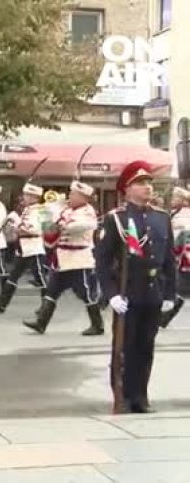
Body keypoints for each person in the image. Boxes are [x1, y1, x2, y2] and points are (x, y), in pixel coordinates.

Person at [97, 161, 175, 413]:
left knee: (145, 347)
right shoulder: (117, 219)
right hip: (127, 293)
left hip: (153, 292)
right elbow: (103, 260)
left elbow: (168, 259)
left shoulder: (162, 218)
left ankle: (141, 395)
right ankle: (123, 395)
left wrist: (169, 293)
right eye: (141, 184)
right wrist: (110, 295)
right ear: (127, 189)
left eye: (149, 183)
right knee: (124, 348)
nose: (147, 188)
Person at [24, 181, 104, 336]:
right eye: (71, 193)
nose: (70, 196)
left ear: (83, 197)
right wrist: (46, 210)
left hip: (78, 260)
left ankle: (97, 325)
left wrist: (58, 225)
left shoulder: (87, 212)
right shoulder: (66, 210)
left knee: (86, 293)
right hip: (61, 258)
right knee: (52, 290)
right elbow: (50, 226)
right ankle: (41, 323)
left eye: (74, 194)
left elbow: (79, 226)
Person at [0, 183, 49, 313]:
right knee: (13, 276)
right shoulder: (26, 210)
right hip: (22, 249)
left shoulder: (43, 210)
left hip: (34, 248)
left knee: (41, 278)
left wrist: (21, 229)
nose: (24, 198)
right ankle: (2, 303)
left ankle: (46, 306)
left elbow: (47, 229)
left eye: (27, 195)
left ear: (35, 197)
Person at [161, 186, 190, 328]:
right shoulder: (175, 214)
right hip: (181, 257)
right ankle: (164, 318)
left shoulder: (184, 215)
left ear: (183, 200)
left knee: (180, 288)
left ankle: (164, 318)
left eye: (175, 197)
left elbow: (182, 237)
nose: (172, 200)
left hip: (183, 257)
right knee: (181, 289)